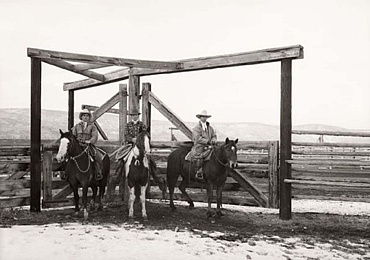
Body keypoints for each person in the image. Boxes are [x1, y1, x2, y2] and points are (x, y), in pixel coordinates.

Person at [117, 108, 165, 188]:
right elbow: (126, 135)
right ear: (131, 116)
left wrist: (140, 140)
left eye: (135, 115)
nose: (134, 117)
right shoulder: (128, 125)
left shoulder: (142, 125)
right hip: (130, 145)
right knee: (121, 158)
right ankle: (118, 175)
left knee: (151, 160)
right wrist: (132, 139)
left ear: (138, 116)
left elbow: (145, 134)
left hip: (141, 146)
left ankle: (156, 176)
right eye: (133, 115)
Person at [61, 109, 104, 181]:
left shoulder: (93, 127)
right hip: (78, 145)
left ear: (89, 117)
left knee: (97, 156)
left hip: (88, 145)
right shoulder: (77, 126)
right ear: (81, 117)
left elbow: (95, 136)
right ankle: (66, 173)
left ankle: (98, 172)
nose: (85, 117)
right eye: (84, 115)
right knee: (68, 156)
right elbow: (72, 135)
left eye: (87, 116)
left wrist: (89, 141)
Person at [190, 110, 217, 180]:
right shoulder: (196, 128)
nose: (204, 118)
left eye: (205, 117)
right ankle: (199, 172)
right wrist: (207, 141)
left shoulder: (210, 128)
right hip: (199, 146)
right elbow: (197, 138)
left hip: (209, 146)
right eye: (203, 117)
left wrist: (214, 140)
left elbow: (214, 135)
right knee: (202, 156)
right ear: (200, 118)